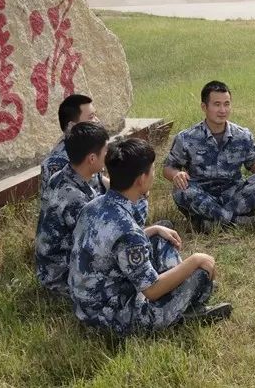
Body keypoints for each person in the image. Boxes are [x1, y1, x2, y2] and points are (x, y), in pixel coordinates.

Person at [68, 138, 231, 334]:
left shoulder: (94, 205)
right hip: (111, 317)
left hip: (88, 305)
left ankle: (183, 292)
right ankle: (185, 308)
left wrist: (153, 229)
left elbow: (112, 245)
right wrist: (194, 260)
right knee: (200, 272)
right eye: (152, 170)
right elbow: (151, 291)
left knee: (162, 235)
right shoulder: (128, 231)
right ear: (141, 179)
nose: (154, 175)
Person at [163, 81, 255, 231]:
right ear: (204, 107)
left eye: (227, 104)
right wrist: (177, 174)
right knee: (180, 190)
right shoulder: (186, 137)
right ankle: (235, 222)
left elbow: (253, 162)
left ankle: (209, 223)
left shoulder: (242, 135)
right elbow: (169, 167)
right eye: (217, 104)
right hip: (201, 195)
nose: (223, 110)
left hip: (234, 195)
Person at [40, 93, 148, 226]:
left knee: (137, 195)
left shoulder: (87, 148)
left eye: (95, 115)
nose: (97, 121)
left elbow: (99, 181)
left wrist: (129, 188)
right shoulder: (56, 163)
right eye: (91, 117)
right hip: (77, 232)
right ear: (72, 126)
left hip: (92, 215)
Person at [34, 122, 108, 294]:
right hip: (62, 277)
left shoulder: (62, 175)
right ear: (92, 159)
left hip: (50, 268)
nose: (107, 154)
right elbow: (105, 243)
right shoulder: (76, 199)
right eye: (105, 150)